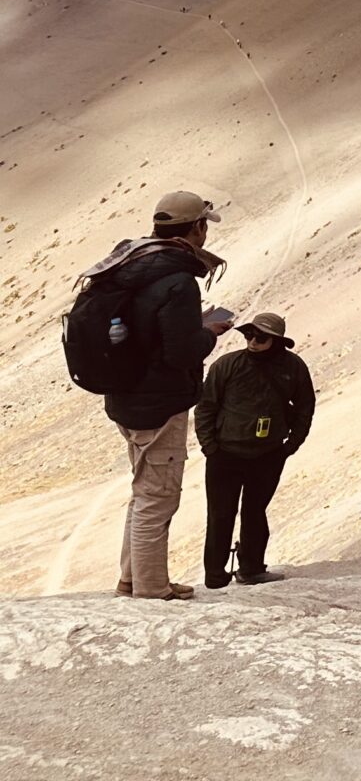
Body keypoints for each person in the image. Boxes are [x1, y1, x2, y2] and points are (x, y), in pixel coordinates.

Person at [91, 191, 232, 601]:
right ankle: (152, 588)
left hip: (126, 396)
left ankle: (131, 579)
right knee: (159, 496)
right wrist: (209, 332)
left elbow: (148, 334)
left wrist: (192, 327)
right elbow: (180, 353)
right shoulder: (177, 280)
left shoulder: (133, 264)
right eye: (205, 225)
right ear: (197, 228)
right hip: (160, 403)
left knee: (143, 491)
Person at [196, 310, 311, 588]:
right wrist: (210, 446)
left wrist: (290, 446)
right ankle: (215, 576)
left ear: (276, 340)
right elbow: (206, 406)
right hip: (225, 453)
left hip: (269, 454)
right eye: (249, 335)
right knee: (221, 514)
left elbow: (305, 407)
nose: (252, 341)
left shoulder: (293, 367)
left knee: (255, 512)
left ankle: (252, 568)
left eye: (260, 337)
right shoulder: (227, 365)